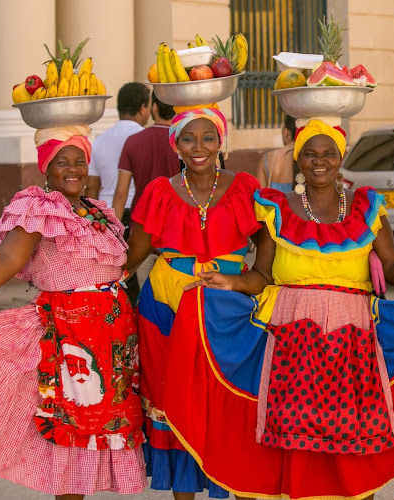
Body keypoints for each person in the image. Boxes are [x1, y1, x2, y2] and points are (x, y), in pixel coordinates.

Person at [156, 118, 394, 499]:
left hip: (350, 341)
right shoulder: (274, 208)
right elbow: (263, 274)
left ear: (341, 157)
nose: (320, 161)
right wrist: (231, 283)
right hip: (285, 337)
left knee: (346, 446)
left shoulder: (368, 207)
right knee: (284, 445)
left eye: (328, 153)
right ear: (298, 160)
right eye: (310, 154)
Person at [0, 126, 146, 499]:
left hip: (112, 340)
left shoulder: (96, 211)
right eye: (61, 161)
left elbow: (122, 263)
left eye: (79, 160)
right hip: (70, 339)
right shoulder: (40, 207)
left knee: (98, 433)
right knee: (71, 433)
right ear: (45, 169)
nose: (73, 168)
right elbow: (8, 256)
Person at [124, 105, 259, 500]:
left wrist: (242, 283)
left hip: (226, 305)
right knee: (174, 398)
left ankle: (234, 483)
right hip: (166, 304)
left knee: (227, 395)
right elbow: (133, 255)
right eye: (188, 139)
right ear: (176, 146)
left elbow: (265, 259)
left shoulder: (246, 187)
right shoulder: (158, 191)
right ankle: (183, 493)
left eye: (208, 138)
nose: (199, 147)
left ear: (221, 142)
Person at [86, 82, 150, 304]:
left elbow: (92, 186)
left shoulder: (101, 140)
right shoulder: (145, 137)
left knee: (118, 273)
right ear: (143, 108)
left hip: (106, 214)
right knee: (138, 270)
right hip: (139, 214)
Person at [113, 90, 180, 284]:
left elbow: (121, 193)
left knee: (145, 300)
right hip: (176, 234)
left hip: (141, 233)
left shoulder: (133, 142)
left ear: (154, 108)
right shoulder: (184, 144)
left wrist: (115, 235)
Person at [255, 113, 296, 192]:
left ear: (285, 131)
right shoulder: (304, 156)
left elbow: (260, 195)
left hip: (274, 204)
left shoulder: (267, 157)